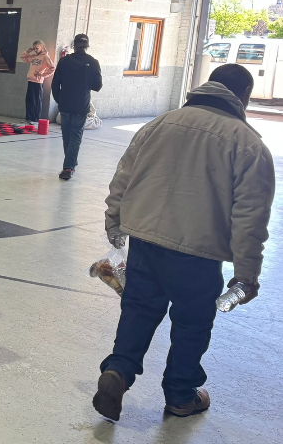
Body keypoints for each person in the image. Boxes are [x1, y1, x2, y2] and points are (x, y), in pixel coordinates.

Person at [93, 65, 274, 421]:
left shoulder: (159, 124)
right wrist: (246, 274)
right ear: (243, 97)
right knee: (192, 323)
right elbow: (250, 218)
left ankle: (118, 370)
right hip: (199, 255)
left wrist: (114, 224)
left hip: (146, 241)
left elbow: (123, 178)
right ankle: (180, 395)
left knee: (139, 311)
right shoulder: (249, 144)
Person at [51, 33, 102, 180]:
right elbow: (97, 86)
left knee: (67, 135)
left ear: (74, 45)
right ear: (87, 46)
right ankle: (69, 167)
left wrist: (59, 100)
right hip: (81, 104)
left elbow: (55, 83)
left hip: (65, 103)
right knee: (75, 136)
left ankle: (70, 162)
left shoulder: (64, 61)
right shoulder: (93, 62)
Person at [20, 40, 56, 125]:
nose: (35, 50)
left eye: (37, 48)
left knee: (36, 101)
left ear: (42, 47)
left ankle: (35, 119)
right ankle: (28, 118)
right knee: (29, 100)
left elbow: (52, 68)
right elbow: (23, 57)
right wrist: (28, 51)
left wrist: (42, 74)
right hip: (30, 80)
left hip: (38, 82)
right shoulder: (34, 56)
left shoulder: (45, 57)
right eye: (34, 48)